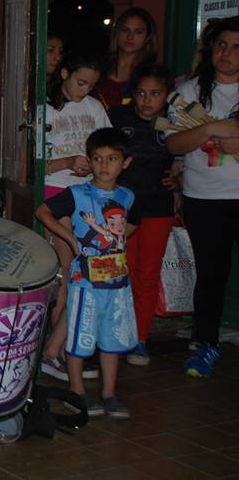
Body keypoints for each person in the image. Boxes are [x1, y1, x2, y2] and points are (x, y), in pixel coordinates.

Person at [36, 127, 140, 419]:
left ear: (126, 162)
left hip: (117, 284)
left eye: (112, 159)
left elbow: (134, 223)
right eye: (97, 158)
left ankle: (109, 393)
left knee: (112, 339)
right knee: (80, 336)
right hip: (85, 284)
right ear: (90, 160)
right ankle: (77, 390)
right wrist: (70, 239)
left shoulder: (127, 196)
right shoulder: (77, 194)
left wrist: (116, 243)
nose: (104, 165)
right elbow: (42, 212)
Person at [165, 16, 239, 378]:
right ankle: (205, 343)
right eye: (221, 45)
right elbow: (173, 143)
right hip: (205, 197)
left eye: (236, 47)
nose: (226, 53)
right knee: (211, 275)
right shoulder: (189, 91)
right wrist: (211, 128)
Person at [40, 51, 111, 381]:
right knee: (71, 274)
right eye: (81, 83)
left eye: (91, 85)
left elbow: (108, 148)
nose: (85, 90)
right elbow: (33, 164)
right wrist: (68, 162)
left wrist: (94, 164)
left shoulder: (94, 107)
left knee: (82, 275)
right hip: (55, 192)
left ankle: (64, 349)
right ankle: (56, 352)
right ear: (65, 73)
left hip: (87, 194)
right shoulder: (44, 108)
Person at [108, 63, 177, 366]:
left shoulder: (175, 122)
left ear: (167, 95)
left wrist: (180, 176)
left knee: (146, 276)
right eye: (141, 93)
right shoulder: (117, 117)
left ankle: (139, 340)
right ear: (133, 93)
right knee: (118, 273)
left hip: (158, 209)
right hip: (120, 210)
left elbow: (190, 157)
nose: (147, 100)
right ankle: (113, 336)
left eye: (155, 94)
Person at [95, 7, 159, 109]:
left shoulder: (151, 74)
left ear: (147, 38)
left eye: (138, 32)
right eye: (125, 30)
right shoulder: (98, 66)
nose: (130, 37)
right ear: (117, 33)